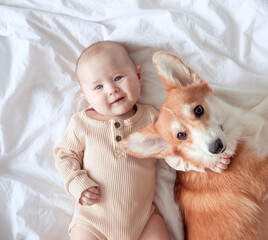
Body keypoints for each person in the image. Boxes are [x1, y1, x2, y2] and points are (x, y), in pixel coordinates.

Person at [54, 41, 231, 240]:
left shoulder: (152, 119)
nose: (112, 89)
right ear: (86, 97)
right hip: (93, 222)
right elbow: (64, 156)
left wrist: (203, 162)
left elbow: (173, 151)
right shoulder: (82, 123)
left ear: (138, 76)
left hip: (143, 222)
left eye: (118, 78)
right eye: (99, 87)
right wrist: (77, 183)